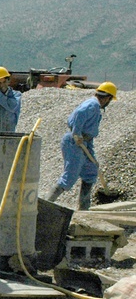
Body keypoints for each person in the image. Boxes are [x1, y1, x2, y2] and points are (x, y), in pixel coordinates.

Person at [47, 82, 117, 210]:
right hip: (74, 142)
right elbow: (79, 115)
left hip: (85, 142)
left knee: (91, 171)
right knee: (70, 176)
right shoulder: (92, 105)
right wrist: (77, 133)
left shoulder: (94, 105)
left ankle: (84, 208)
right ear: (107, 98)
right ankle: (45, 204)